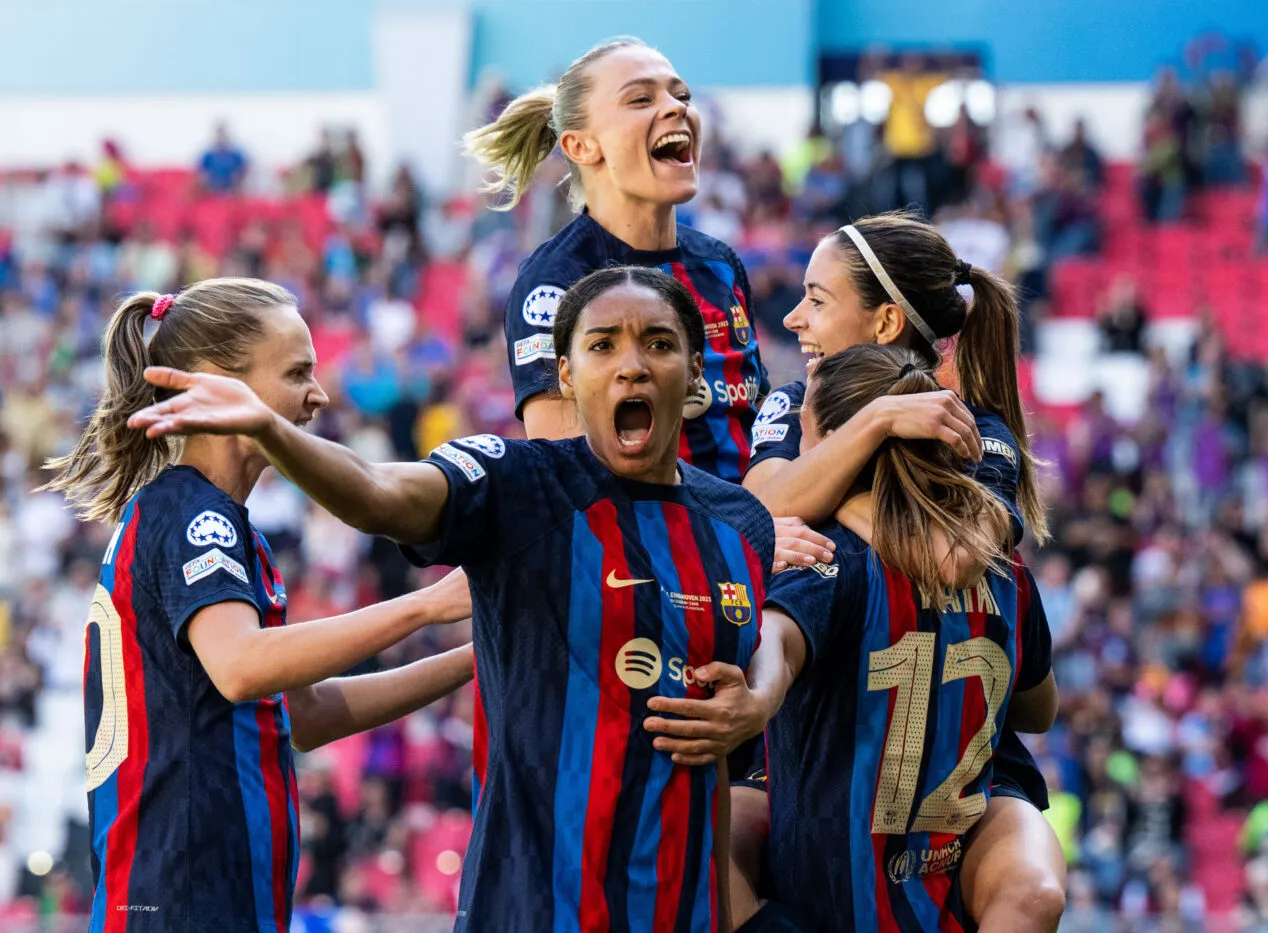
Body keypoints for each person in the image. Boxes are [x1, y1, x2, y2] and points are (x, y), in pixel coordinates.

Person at [127, 266, 776, 933]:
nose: (632, 366)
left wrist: (497, 643)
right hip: (514, 914)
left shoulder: (743, 527)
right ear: (563, 374)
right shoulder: (518, 483)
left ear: (695, 372)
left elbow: (307, 714)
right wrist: (423, 607)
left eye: (659, 344)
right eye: (603, 344)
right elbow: (374, 494)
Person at [42, 279, 475, 931]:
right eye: (297, 372)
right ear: (220, 383)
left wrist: (479, 655)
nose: (318, 394)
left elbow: (307, 713)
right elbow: (242, 665)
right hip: (182, 900)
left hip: (209, 898)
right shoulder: (194, 515)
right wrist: (423, 607)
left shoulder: (225, 526)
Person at [648, 345, 1056, 932]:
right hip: (948, 876)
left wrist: (756, 699)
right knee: (1033, 893)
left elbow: (778, 639)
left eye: (807, 436)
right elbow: (1040, 709)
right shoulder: (1005, 569)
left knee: (695, 852)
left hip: (832, 892)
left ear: (843, 445)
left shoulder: (822, 554)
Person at [735, 212, 1066, 931]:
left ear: (885, 321)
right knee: (701, 847)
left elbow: (952, 557)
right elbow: (759, 509)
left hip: (957, 759)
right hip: (816, 730)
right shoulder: (793, 401)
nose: (793, 317)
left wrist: (842, 484)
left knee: (1031, 890)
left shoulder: (977, 427)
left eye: (817, 299)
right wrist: (877, 425)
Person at [465, 36, 765, 482]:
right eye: (641, 99)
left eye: (682, 96)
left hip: (756, 520)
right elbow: (569, 465)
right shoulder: (555, 280)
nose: (676, 107)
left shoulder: (721, 264)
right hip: (661, 527)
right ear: (581, 147)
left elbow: (758, 427)